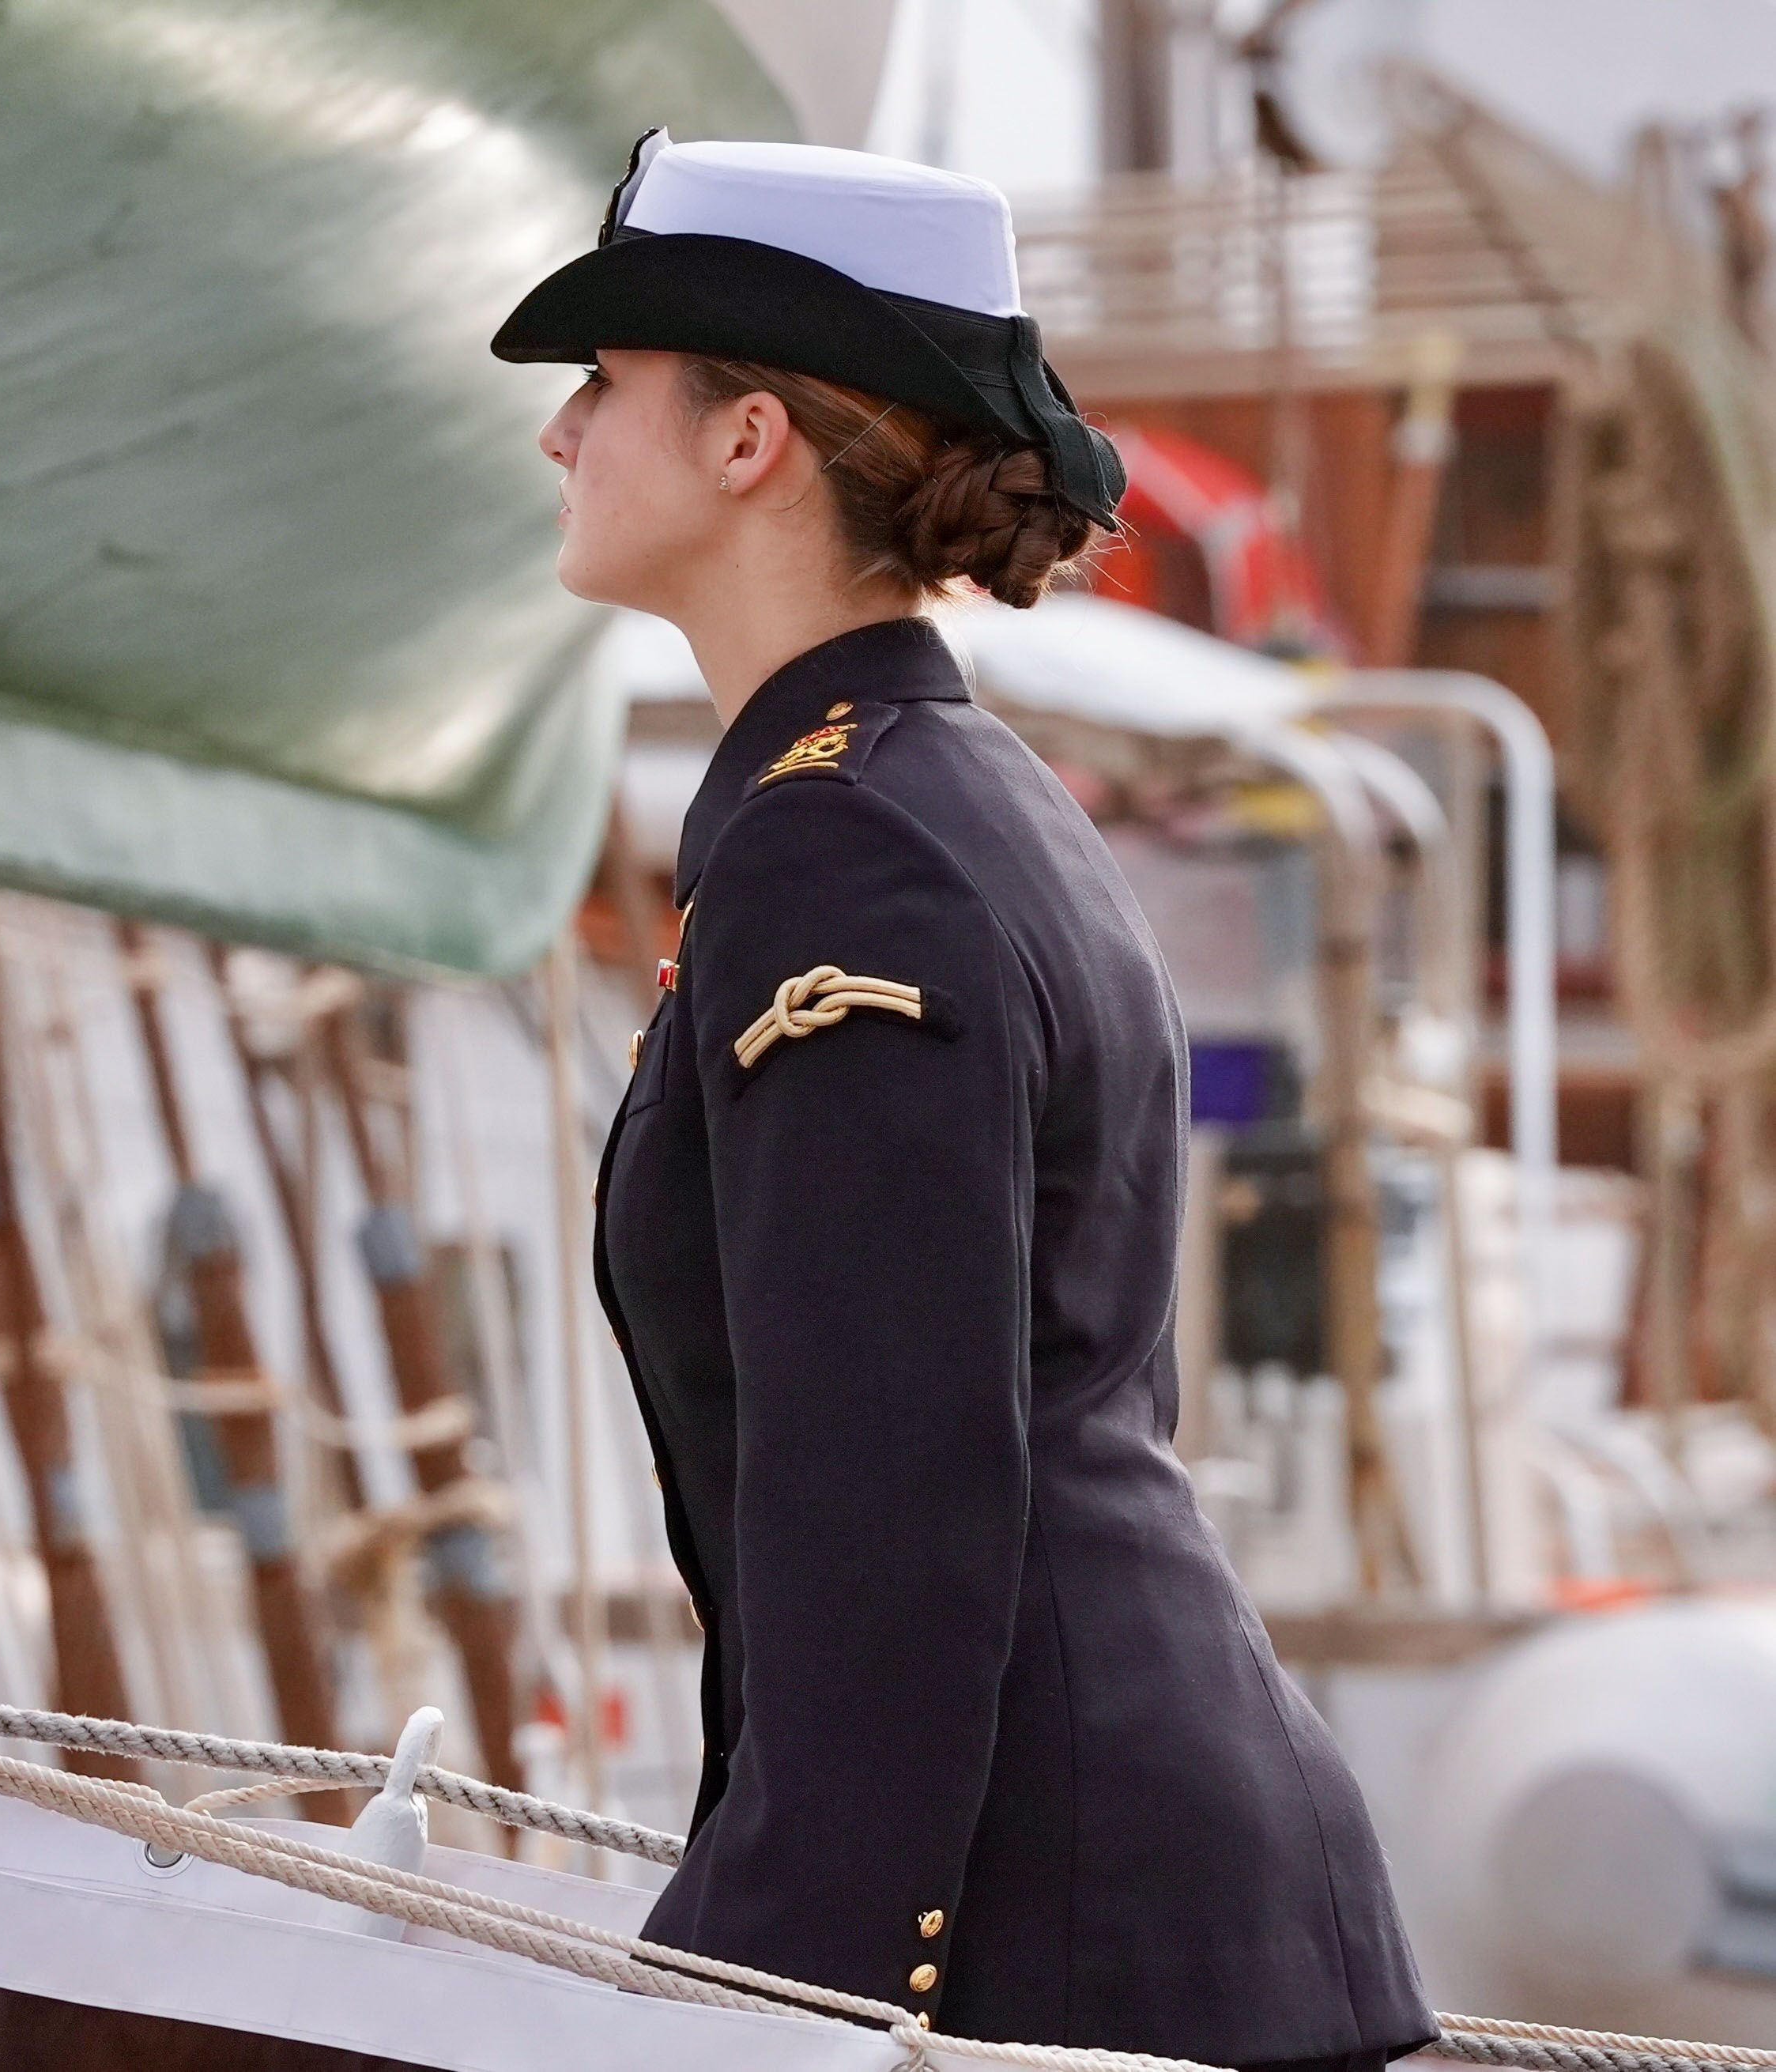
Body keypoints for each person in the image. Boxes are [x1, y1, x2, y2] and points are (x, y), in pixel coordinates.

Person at [492, 133, 1438, 2071]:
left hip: (1050, 1939)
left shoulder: (846, 852)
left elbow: (891, 1501)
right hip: (1115, 1899)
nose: (558, 437)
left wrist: (782, 1994)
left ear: (747, 440)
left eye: (602, 386)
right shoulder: (932, 790)